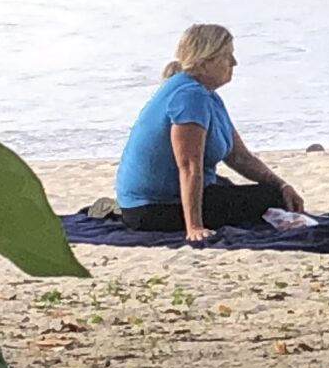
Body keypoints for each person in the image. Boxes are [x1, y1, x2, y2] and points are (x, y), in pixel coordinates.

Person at [113, 24, 305, 241]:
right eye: (227, 56)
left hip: (172, 195)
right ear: (206, 61)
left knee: (269, 191)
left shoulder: (208, 96)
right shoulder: (189, 96)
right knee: (268, 198)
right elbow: (188, 166)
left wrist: (282, 184)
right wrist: (194, 227)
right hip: (151, 209)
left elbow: (239, 157)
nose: (234, 63)